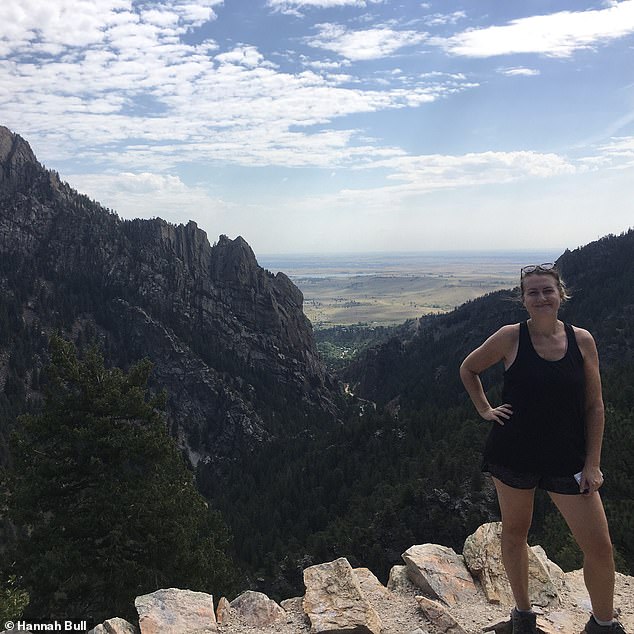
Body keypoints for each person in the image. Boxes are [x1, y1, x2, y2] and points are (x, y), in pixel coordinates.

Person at [459, 263, 626, 634]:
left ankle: (602, 624)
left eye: (547, 290)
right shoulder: (510, 337)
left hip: (568, 458)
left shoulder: (582, 340)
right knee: (515, 534)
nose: (540, 297)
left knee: (599, 547)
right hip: (514, 452)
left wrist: (593, 463)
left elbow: (594, 406)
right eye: (532, 292)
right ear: (523, 299)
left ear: (560, 294)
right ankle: (523, 618)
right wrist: (485, 409)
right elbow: (468, 369)